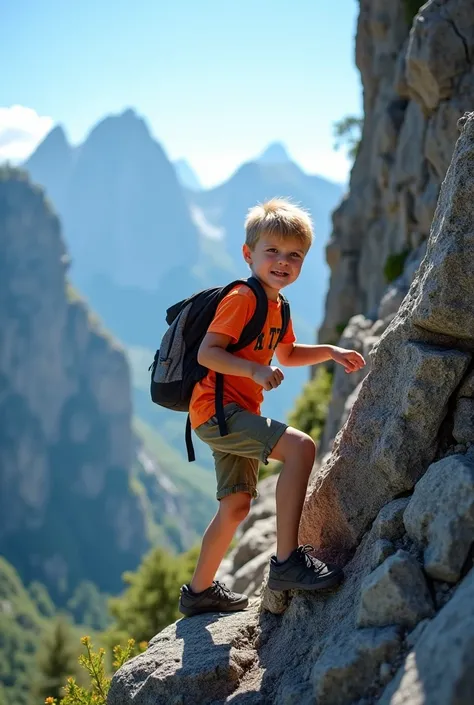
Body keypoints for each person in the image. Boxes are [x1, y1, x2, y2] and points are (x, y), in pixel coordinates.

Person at [179, 198, 365, 617]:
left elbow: (287, 353)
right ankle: (287, 564)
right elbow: (210, 353)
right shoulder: (244, 298)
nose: (283, 262)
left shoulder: (278, 306)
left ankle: (198, 592)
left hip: (226, 413)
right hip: (218, 411)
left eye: (294, 255)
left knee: (236, 505)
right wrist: (252, 371)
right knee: (301, 448)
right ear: (249, 255)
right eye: (273, 252)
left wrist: (331, 351)